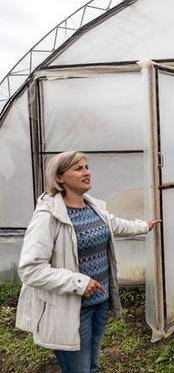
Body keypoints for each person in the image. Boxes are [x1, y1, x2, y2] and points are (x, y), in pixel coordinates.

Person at [15, 151, 160, 372]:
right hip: (71, 309)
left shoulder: (93, 207)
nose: (87, 172)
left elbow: (115, 225)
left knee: (92, 365)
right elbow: (30, 270)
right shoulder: (49, 216)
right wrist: (80, 283)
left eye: (87, 167)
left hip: (99, 302)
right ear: (60, 178)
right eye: (78, 168)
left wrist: (144, 226)